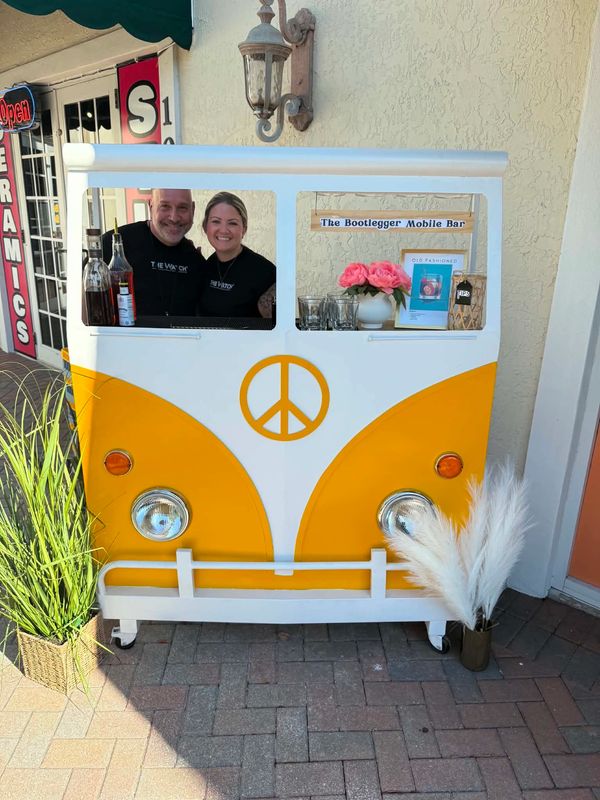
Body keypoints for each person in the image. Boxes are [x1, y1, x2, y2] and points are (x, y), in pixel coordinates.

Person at [101, 188, 206, 317]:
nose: (174, 217)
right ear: (151, 206)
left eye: (182, 207)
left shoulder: (197, 262)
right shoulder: (112, 244)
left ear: (193, 210)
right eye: (165, 206)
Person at [197, 192, 276, 318]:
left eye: (232, 223)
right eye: (216, 221)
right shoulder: (204, 267)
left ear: (244, 229)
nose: (223, 230)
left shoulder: (265, 272)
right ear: (205, 227)